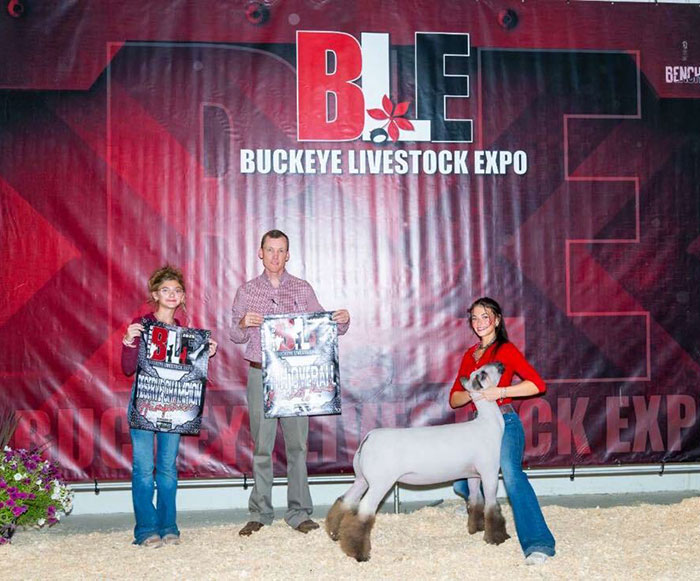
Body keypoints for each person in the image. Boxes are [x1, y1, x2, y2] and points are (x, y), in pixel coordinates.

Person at [230, 229, 350, 536]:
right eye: (270, 250)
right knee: (262, 446)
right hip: (261, 372)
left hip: (296, 376)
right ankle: (260, 512)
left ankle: (299, 512)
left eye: (280, 250)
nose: (275, 256)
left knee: (297, 446)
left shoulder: (302, 288)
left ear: (288, 255)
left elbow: (322, 325)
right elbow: (235, 335)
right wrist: (243, 323)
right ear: (260, 253)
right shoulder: (246, 291)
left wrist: (341, 321)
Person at [449, 297, 555, 565]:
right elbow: (454, 399)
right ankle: (475, 503)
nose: (479, 322)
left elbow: (537, 385)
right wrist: (472, 392)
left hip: (505, 421)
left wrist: (501, 391)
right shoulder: (469, 355)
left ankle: (539, 543)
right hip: (477, 427)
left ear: (496, 320)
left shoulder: (506, 350)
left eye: (485, 316)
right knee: (459, 476)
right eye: (474, 318)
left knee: (511, 473)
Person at [122, 265, 218, 547]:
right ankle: (145, 530)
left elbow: (190, 379)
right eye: (165, 290)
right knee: (143, 469)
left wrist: (205, 355)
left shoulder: (186, 335)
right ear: (155, 295)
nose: (172, 294)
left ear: (183, 296)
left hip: (174, 406)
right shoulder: (142, 325)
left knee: (167, 468)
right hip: (144, 403)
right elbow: (127, 368)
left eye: (177, 290)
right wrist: (129, 341)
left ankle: (168, 526)